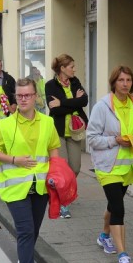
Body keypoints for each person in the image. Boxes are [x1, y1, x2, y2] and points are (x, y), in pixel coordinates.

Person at [0, 78, 60, 263]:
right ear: (15, 97)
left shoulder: (47, 122)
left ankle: (24, 255)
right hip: (15, 187)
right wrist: (14, 160)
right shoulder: (6, 124)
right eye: (19, 95)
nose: (23, 99)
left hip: (41, 185)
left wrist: (57, 173)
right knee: (26, 230)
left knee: (33, 230)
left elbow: (53, 148)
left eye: (27, 95)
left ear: (35, 96)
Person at [87, 66, 133, 263]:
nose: (125, 84)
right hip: (107, 166)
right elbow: (92, 138)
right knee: (119, 208)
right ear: (114, 82)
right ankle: (123, 256)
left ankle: (104, 236)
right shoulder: (102, 106)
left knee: (113, 205)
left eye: (129, 80)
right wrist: (116, 140)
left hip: (127, 166)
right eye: (121, 80)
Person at [45, 54, 88, 218]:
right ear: (62, 68)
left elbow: (84, 101)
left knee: (75, 168)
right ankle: (62, 203)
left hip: (76, 130)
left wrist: (62, 102)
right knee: (61, 169)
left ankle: (62, 191)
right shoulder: (50, 85)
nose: (74, 69)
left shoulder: (75, 82)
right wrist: (73, 102)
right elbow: (54, 110)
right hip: (59, 131)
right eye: (71, 66)